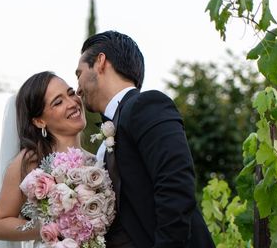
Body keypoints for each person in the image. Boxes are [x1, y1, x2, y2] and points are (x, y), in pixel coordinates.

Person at [75, 31, 214, 248]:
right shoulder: (107, 136)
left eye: (79, 74)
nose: (77, 89)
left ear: (101, 62)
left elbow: (175, 183)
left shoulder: (146, 105)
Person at [0, 71, 87, 246]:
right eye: (58, 102)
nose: (72, 103)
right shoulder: (29, 161)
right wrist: (51, 227)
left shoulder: (99, 161)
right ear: (39, 121)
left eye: (71, 93)